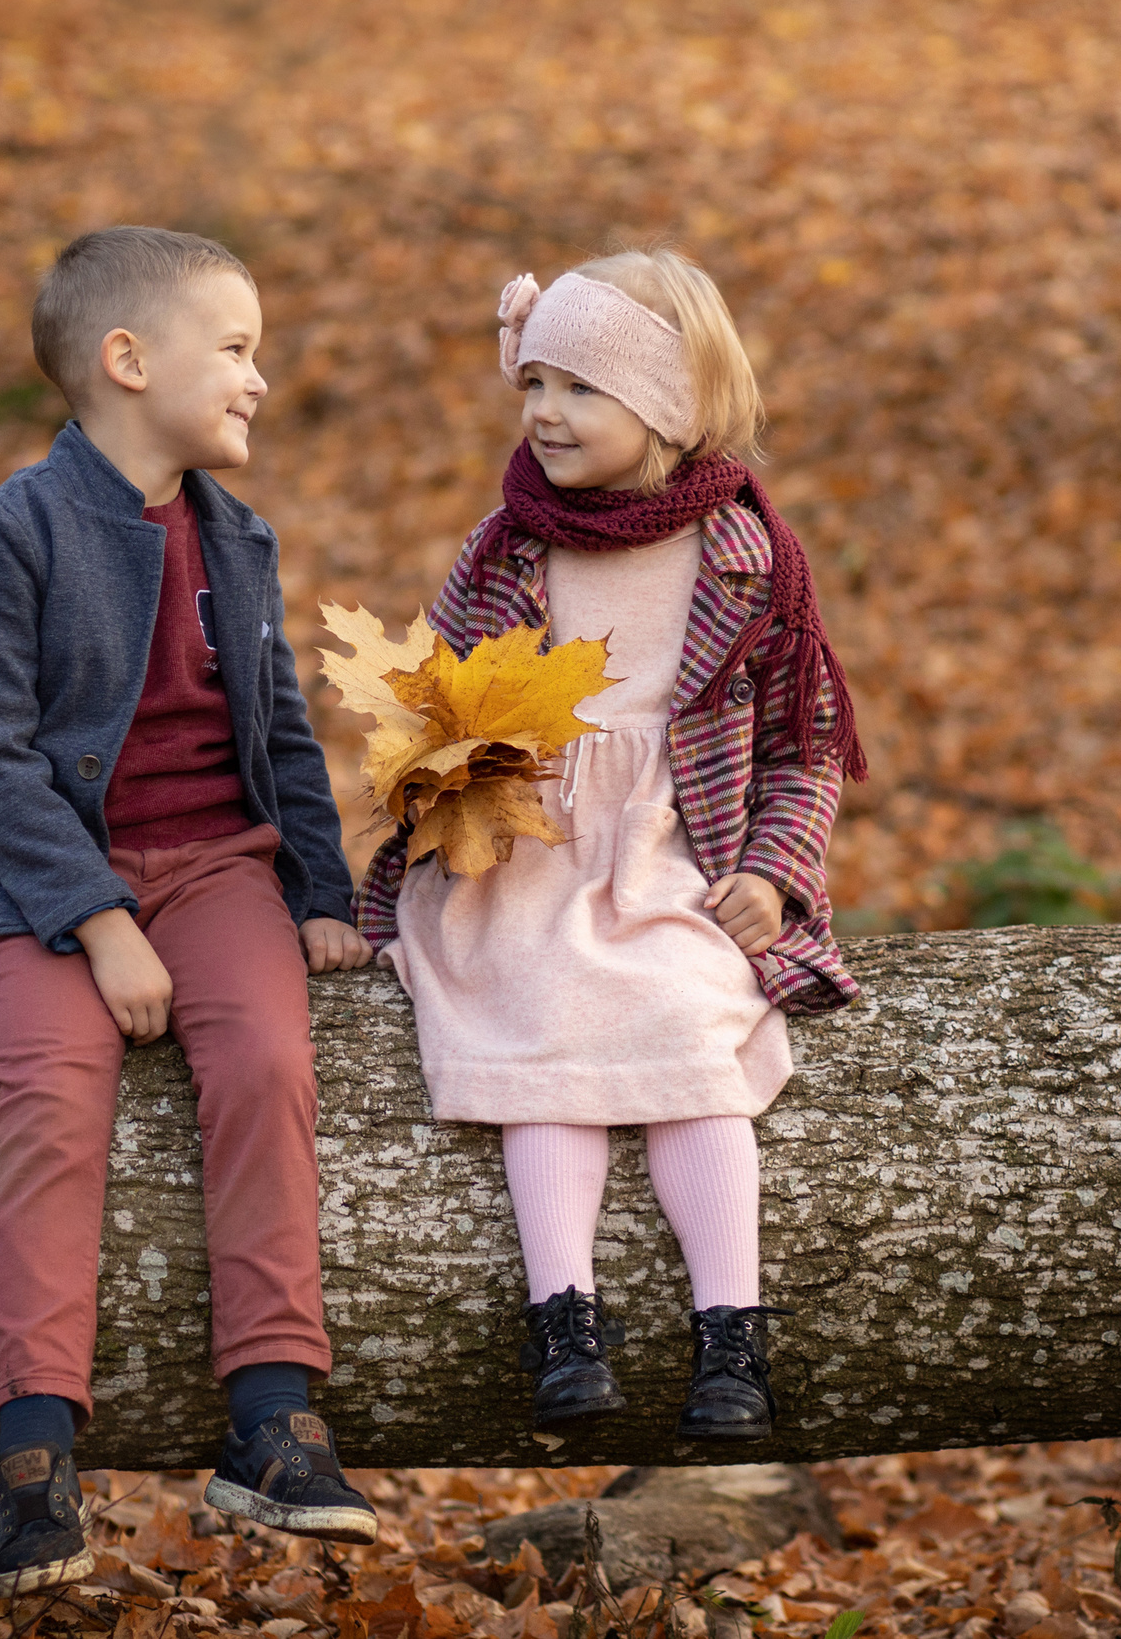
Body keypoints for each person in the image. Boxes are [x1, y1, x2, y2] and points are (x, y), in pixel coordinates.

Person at [357, 247, 867, 1441]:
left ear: (669, 407)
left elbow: (807, 741)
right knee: (540, 1020)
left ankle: (730, 1332)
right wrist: (444, 778)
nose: (543, 413)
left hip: (679, 863)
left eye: (581, 389)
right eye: (533, 384)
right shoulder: (504, 552)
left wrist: (774, 874)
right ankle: (562, 1316)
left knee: (695, 1027)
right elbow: (423, 712)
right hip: (523, 862)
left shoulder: (749, 562)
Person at [0, 226, 379, 1595]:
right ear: (129, 361)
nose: (259, 378)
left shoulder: (236, 538)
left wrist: (318, 888)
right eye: (236, 348)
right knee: (58, 1096)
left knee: (265, 1059)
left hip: (216, 865)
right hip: (45, 872)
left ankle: (273, 1417)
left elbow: (284, 738)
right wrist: (96, 916)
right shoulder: (13, 531)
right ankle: (35, 1452)